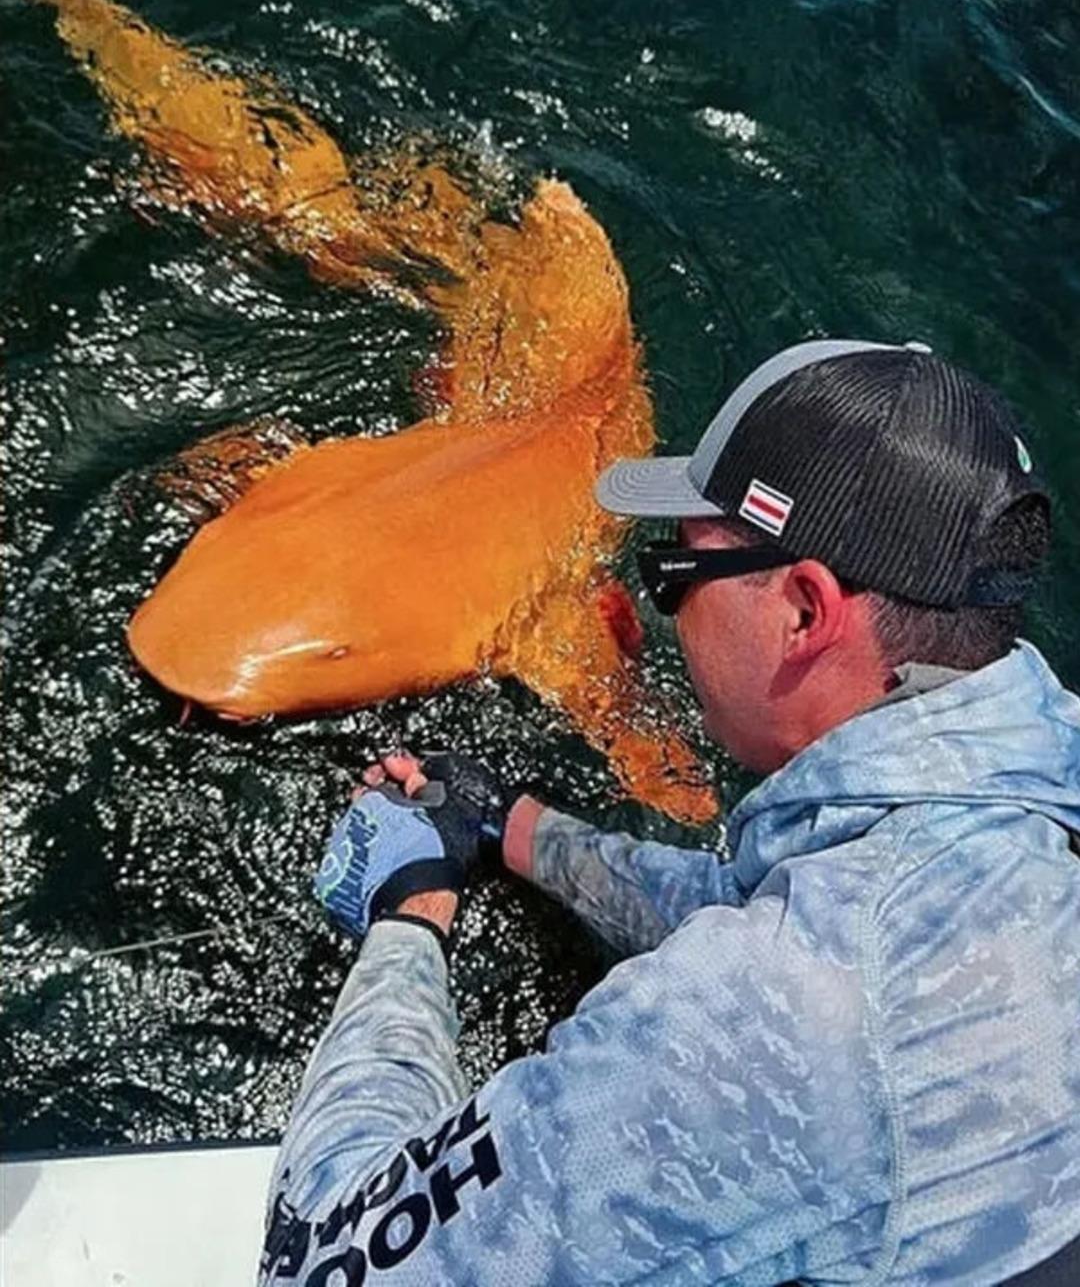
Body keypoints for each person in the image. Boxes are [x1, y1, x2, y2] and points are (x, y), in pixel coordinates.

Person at [258, 340, 1080, 1286]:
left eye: (676, 577)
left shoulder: (785, 1021)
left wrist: (409, 914)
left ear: (807, 610)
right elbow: (763, 907)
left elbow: (325, 1259)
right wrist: (510, 825)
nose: (663, 615)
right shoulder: (1015, 794)